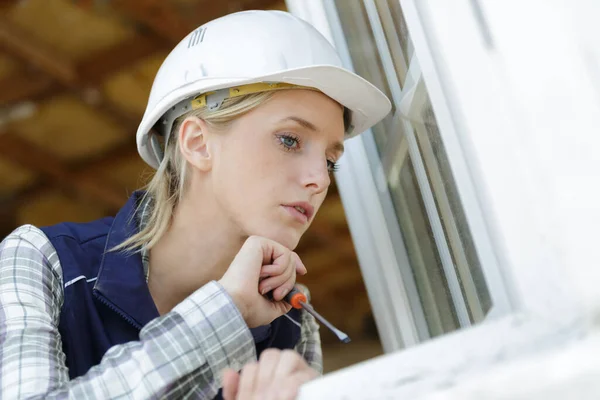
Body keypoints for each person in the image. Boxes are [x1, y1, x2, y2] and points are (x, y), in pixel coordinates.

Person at [0, 9, 390, 400]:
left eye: (330, 160)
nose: (319, 180)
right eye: (290, 140)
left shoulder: (292, 322)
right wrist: (227, 311)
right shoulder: (42, 259)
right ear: (197, 143)